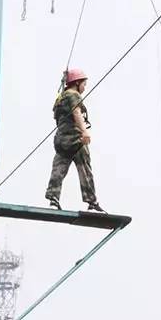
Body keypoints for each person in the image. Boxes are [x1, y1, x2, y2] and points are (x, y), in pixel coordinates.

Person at [45, 68, 104, 212]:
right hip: (76, 139)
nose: (84, 88)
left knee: (58, 170)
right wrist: (84, 132)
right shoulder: (74, 95)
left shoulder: (60, 98)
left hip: (61, 140)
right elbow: (77, 111)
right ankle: (92, 203)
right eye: (83, 84)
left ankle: (53, 200)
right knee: (85, 169)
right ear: (77, 83)